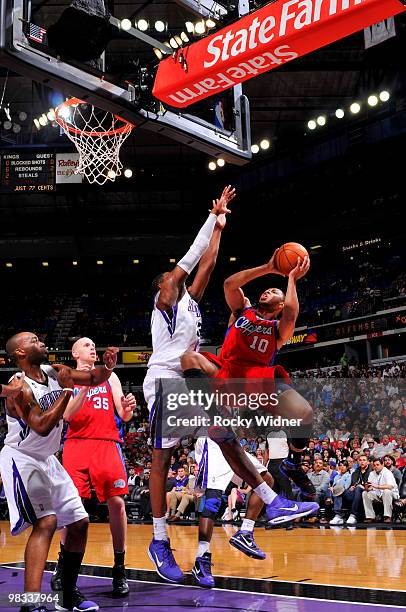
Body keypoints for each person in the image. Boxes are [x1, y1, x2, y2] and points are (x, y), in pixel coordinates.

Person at [143, 186, 235, 583]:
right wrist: (209, 219)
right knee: (160, 460)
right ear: (162, 288)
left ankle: (204, 552)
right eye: (169, 278)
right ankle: (159, 539)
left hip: (186, 379)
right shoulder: (163, 304)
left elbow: (207, 264)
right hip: (164, 379)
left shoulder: (191, 303)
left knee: (220, 441)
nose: (175, 279)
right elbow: (189, 260)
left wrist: (220, 226)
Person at [181, 250, 317, 500]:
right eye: (267, 290)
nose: (267, 291)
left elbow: (292, 313)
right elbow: (229, 284)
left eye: (274, 292)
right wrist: (268, 266)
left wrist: (291, 280)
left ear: (279, 305)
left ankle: (294, 463)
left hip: (257, 381)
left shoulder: (279, 328)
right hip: (227, 372)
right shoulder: (243, 310)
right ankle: (215, 416)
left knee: (305, 412)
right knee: (189, 358)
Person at [0, 332, 118, 612]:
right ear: (20, 353)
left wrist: (109, 367)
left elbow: (92, 378)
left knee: (79, 523)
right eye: (32, 340)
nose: (40, 341)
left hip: (48, 459)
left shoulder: (54, 371)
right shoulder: (20, 386)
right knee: (46, 522)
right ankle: (30, 603)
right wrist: (66, 392)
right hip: (23, 457)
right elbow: (40, 425)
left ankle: (67, 596)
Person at [51, 337, 136, 596]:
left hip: (107, 443)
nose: (92, 348)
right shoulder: (66, 377)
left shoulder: (110, 377)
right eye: (86, 345)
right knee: (72, 511)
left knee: (118, 505)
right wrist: (87, 386)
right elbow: (68, 416)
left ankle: (119, 567)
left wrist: (128, 407)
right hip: (76, 445)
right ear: (75, 353)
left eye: (93, 345)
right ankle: (63, 566)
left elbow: (123, 414)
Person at [362, 458, 399, 523]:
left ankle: (387, 516)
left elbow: (390, 486)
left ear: (382, 465)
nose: (376, 466)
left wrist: (377, 486)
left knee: (386, 491)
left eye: (377, 465)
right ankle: (370, 516)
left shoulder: (387, 472)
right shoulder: (372, 473)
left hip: (391, 494)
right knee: (365, 493)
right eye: (374, 465)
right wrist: (367, 487)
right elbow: (370, 486)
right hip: (378, 494)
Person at [344, 454, 371, 525]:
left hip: (368, 492)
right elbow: (353, 484)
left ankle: (353, 515)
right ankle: (338, 515)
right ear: (358, 462)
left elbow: (371, 485)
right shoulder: (355, 472)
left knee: (358, 489)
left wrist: (361, 486)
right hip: (356, 492)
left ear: (368, 462)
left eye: (364, 460)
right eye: (360, 460)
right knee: (344, 492)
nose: (362, 462)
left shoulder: (371, 472)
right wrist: (351, 487)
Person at [329, 461, 352, 525]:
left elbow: (346, 487)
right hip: (335, 491)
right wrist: (332, 488)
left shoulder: (349, 476)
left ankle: (338, 515)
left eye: (344, 465)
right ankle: (326, 516)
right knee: (327, 490)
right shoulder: (336, 476)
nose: (342, 467)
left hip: (344, 492)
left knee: (338, 491)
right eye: (340, 465)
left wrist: (337, 486)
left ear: (347, 467)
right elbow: (333, 486)